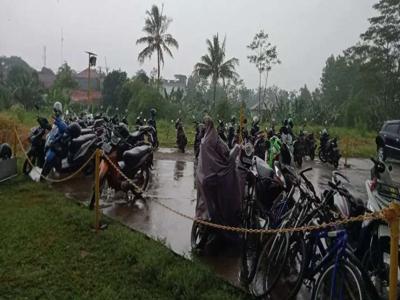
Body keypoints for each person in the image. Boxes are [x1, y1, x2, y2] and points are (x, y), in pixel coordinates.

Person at [195, 116, 241, 231]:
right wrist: (237, 148)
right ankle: (225, 218)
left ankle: (205, 218)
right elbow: (226, 155)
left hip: (202, 176)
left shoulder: (203, 140)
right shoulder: (216, 139)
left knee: (203, 200)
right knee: (230, 181)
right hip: (214, 175)